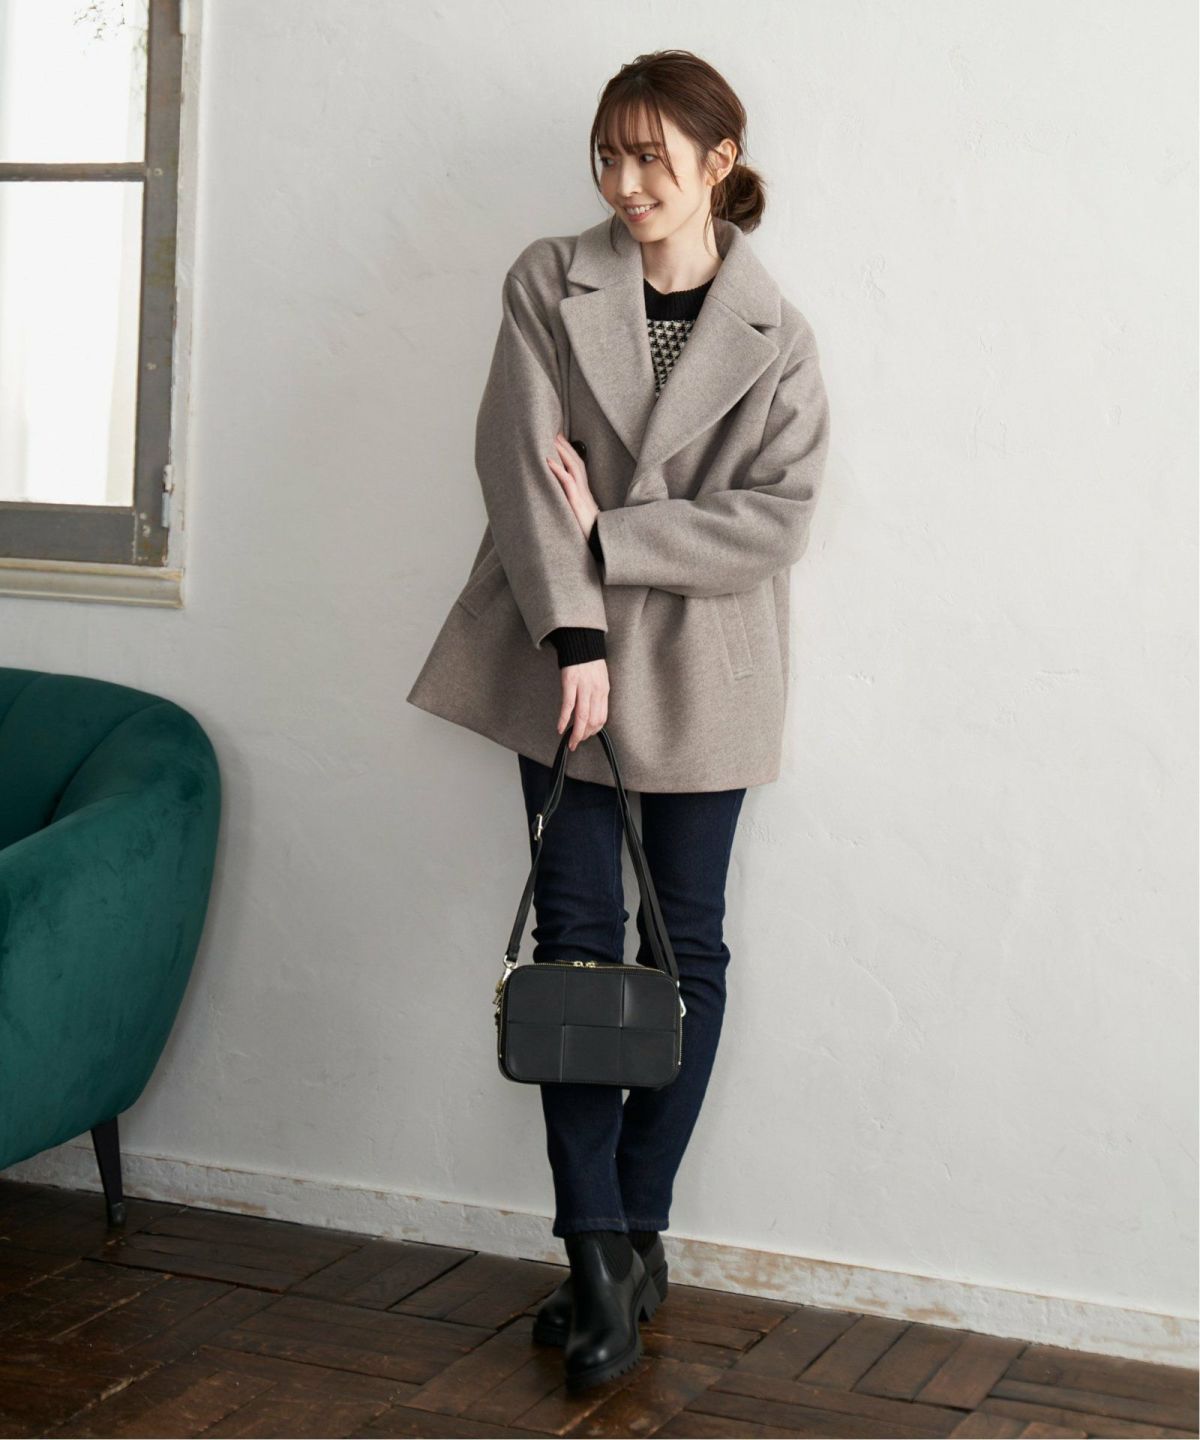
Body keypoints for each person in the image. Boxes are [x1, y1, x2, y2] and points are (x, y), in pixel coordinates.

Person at [406, 48, 831, 1392]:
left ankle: (642, 1226)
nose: (626, 182)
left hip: (708, 669)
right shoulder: (550, 280)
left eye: (653, 156)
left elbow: (777, 520)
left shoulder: (776, 333)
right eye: (610, 155)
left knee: (688, 950)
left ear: (719, 161)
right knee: (579, 953)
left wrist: (620, 530)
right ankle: (593, 1253)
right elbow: (515, 460)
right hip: (561, 660)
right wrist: (577, 631)